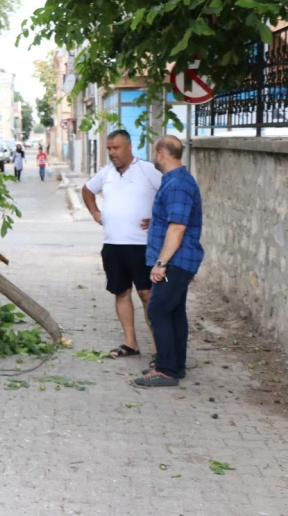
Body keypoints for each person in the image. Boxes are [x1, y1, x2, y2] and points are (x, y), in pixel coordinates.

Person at [82, 130, 162, 360]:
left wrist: (158, 218)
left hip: (142, 246)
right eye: (109, 148)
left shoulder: (148, 170)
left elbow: (167, 194)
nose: (112, 153)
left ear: (129, 147)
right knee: (121, 292)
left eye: (116, 148)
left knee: (148, 295)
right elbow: (87, 190)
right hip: (113, 245)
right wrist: (95, 212)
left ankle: (160, 348)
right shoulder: (106, 173)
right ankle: (131, 343)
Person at [134, 135, 203, 388]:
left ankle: (165, 370)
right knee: (174, 312)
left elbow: (178, 228)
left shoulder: (177, 184)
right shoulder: (175, 181)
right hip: (178, 259)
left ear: (162, 153)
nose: (153, 156)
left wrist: (161, 264)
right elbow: (173, 219)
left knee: (157, 310)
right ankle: (175, 366)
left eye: (154, 152)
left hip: (176, 261)